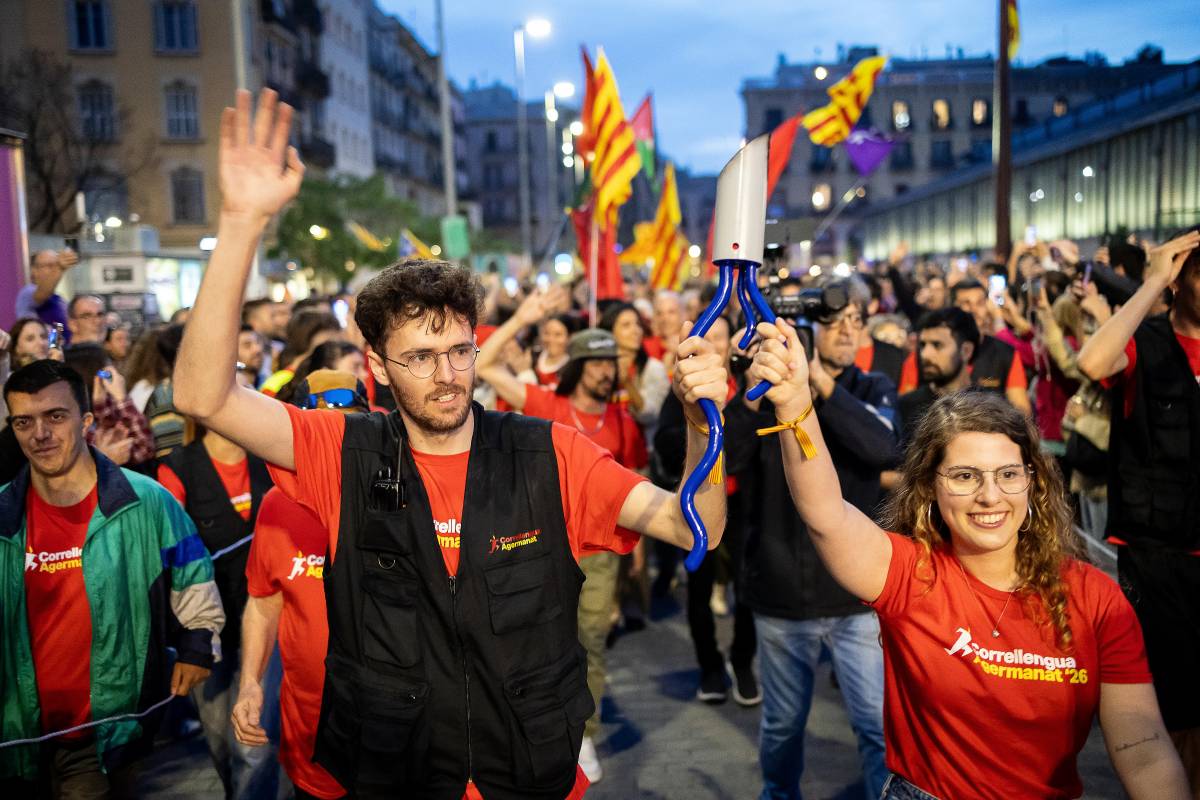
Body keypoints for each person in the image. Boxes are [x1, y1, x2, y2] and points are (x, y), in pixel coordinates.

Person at [173, 88, 729, 800]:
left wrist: (698, 421)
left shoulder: (547, 453)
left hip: (530, 778)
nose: (448, 375)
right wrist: (242, 222)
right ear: (375, 364)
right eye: (421, 356)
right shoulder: (338, 450)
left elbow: (699, 527)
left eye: (461, 351)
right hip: (394, 777)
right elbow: (200, 397)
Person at [746, 317, 1189, 800]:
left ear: (1033, 482)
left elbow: (1144, 748)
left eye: (1007, 474)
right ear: (931, 489)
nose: (989, 496)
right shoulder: (908, 574)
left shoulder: (1096, 598)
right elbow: (826, 514)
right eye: (963, 476)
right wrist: (795, 406)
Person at [0, 359, 225, 797]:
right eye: (24, 422)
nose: (40, 434)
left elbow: (192, 574)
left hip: (104, 730)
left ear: (86, 421)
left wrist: (199, 644)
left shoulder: (144, 501)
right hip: (16, 731)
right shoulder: (4, 513)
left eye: (55, 416)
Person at [727, 292, 899, 800]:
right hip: (782, 590)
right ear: (805, 327)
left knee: (874, 726)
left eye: (856, 320)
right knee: (782, 728)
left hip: (858, 594)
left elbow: (885, 446)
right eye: (833, 321)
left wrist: (812, 381)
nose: (847, 330)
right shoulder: (762, 390)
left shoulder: (872, 386)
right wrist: (755, 388)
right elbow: (729, 460)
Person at [476, 291, 648, 784]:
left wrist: (638, 555)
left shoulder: (622, 419)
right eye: (593, 363)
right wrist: (523, 319)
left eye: (609, 363)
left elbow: (636, 476)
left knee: (590, 640)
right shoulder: (544, 404)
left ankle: (584, 734)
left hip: (601, 552)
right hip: (538, 546)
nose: (604, 372)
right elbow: (486, 366)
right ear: (575, 367)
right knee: (539, 643)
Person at [1077, 228, 1200, 791]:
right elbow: (1093, 359)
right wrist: (1150, 283)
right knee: (1171, 711)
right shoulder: (1145, 341)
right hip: (1158, 559)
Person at [233, 369, 372, 800]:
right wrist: (251, 681)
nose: (337, 441)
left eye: (350, 425)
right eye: (322, 429)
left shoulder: (403, 493)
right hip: (311, 724)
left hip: (397, 730)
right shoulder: (276, 506)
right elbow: (264, 600)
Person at [158, 368, 276, 800]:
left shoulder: (269, 458)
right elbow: (171, 553)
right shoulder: (177, 468)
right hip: (209, 628)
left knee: (255, 744)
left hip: (267, 617)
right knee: (220, 741)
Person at [655, 315, 759, 706]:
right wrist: (696, 423)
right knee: (699, 590)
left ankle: (743, 662)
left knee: (746, 589)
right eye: (707, 336)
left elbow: (753, 447)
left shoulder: (749, 387)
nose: (714, 343)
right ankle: (710, 667)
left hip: (745, 508)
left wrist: (740, 411)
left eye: (720, 336)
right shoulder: (684, 387)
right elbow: (666, 441)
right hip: (699, 509)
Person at [897, 308, 979, 447]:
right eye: (922, 345)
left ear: (966, 351)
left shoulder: (988, 407)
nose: (925, 354)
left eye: (937, 345)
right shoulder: (905, 406)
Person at [14, 249, 77, 337]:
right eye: (50, 265)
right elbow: (43, 292)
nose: (54, 270)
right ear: (34, 270)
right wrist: (59, 267)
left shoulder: (59, 300)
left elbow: (59, 329)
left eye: (56, 265)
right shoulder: (27, 293)